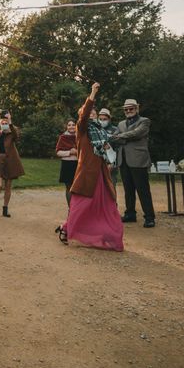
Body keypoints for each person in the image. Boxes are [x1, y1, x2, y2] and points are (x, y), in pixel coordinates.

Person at [55, 83, 124, 251]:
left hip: (101, 172)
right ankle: (67, 228)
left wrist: (108, 159)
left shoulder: (99, 130)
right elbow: (85, 113)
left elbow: (106, 148)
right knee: (82, 205)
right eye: (89, 111)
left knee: (106, 204)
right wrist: (93, 93)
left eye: (94, 111)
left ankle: (108, 234)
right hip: (87, 173)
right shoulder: (82, 127)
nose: (92, 112)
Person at [109, 98, 156, 228]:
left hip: (138, 160)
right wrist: (124, 138)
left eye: (131, 108)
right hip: (123, 161)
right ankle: (130, 214)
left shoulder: (145, 121)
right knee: (128, 190)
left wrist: (121, 137)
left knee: (143, 190)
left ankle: (149, 217)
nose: (128, 111)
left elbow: (138, 133)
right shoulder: (121, 124)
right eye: (126, 109)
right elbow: (115, 140)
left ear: (137, 108)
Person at [0, 109, 24, 218]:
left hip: (10, 161)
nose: (4, 124)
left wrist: (10, 120)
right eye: (2, 123)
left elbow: (16, 136)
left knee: (8, 186)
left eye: (5, 123)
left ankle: (5, 209)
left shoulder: (12, 134)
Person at [55, 119, 78, 208]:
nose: (71, 126)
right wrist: (70, 152)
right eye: (69, 125)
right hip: (67, 164)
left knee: (78, 188)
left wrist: (78, 152)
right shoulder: (63, 137)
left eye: (73, 124)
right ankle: (70, 209)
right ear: (67, 127)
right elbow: (58, 152)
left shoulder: (80, 137)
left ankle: (77, 209)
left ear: (76, 126)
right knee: (69, 187)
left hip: (78, 165)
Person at [98, 108, 119, 189]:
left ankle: (113, 202)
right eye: (100, 119)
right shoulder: (95, 129)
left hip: (111, 163)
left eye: (105, 119)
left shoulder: (115, 130)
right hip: (98, 161)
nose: (102, 121)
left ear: (109, 119)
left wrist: (113, 163)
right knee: (98, 188)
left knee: (111, 186)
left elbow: (118, 148)